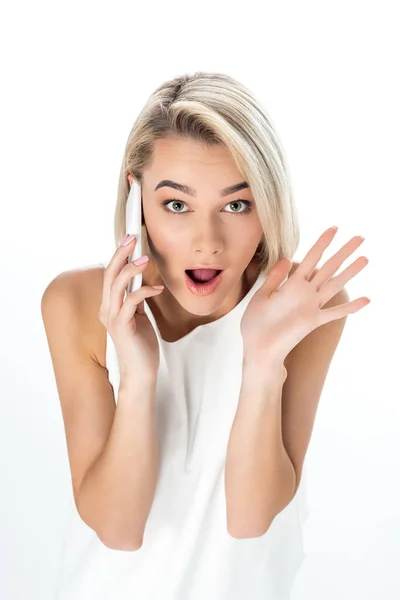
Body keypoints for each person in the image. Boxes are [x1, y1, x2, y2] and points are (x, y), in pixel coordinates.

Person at [41, 71, 367, 599]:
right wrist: (139, 377)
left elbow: (250, 521)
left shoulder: (303, 307)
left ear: (268, 202)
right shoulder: (76, 303)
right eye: (176, 204)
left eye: (237, 205)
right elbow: (118, 530)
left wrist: (263, 361)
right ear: (136, 198)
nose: (206, 242)